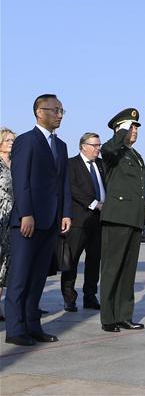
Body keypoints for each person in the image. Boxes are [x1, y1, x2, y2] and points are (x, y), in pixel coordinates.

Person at [6, 94, 72, 346]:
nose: (59, 115)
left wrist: (66, 212)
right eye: (55, 110)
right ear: (38, 111)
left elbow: (63, 183)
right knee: (20, 277)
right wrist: (26, 214)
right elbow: (20, 180)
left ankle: (33, 325)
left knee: (38, 279)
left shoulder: (61, 146)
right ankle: (15, 328)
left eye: (62, 110)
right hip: (28, 220)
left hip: (52, 221)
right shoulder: (27, 141)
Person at [99, 108, 145, 333]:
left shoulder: (134, 155)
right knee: (112, 268)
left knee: (128, 271)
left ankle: (124, 315)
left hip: (133, 218)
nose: (135, 130)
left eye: (136, 127)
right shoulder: (112, 152)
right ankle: (108, 317)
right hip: (117, 218)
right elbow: (108, 148)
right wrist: (121, 132)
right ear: (120, 128)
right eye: (131, 126)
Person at [61, 132, 106, 312]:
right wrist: (94, 204)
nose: (98, 149)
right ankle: (69, 297)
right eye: (94, 145)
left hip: (99, 220)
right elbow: (72, 188)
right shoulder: (71, 164)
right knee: (71, 260)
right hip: (79, 220)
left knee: (94, 260)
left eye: (99, 145)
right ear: (83, 146)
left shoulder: (102, 165)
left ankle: (90, 296)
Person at [0, 128, 16, 321]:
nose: (11, 143)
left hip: (14, 218)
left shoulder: (16, 163)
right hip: (0, 216)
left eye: (13, 140)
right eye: (7, 140)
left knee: (6, 264)